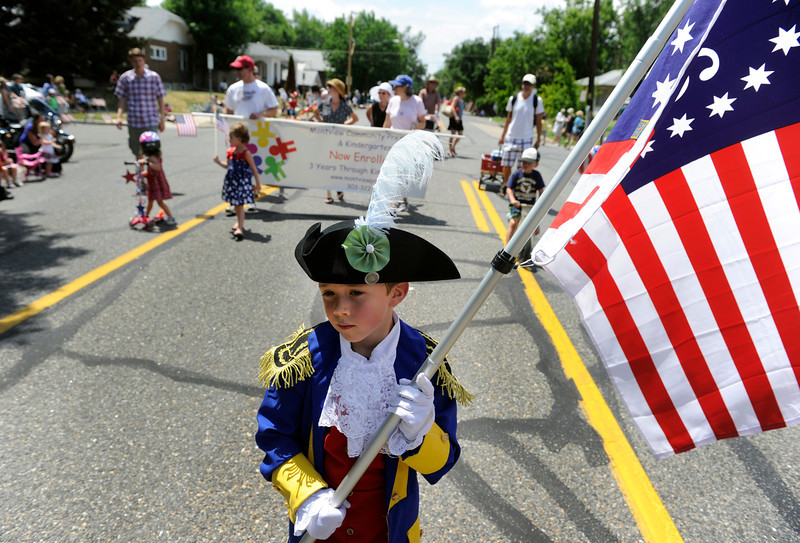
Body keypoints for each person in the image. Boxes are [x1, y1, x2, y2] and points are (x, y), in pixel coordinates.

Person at [255, 131, 470, 543]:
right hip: (322, 532)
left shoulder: (426, 362)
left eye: (357, 293)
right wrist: (307, 497)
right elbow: (275, 436)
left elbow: (442, 463)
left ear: (397, 292)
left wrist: (422, 436)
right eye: (329, 294)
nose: (340, 309)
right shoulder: (301, 358)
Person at [115, 48, 167, 159]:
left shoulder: (154, 77)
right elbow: (122, 100)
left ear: (144, 60)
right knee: (138, 152)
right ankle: (141, 174)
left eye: (139, 60)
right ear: (131, 61)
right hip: (134, 121)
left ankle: (152, 175)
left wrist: (162, 119)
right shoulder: (126, 78)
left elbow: (161, 99)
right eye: (135, 61)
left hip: (151, 120)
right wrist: (119, 117)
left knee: (152, 151)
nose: (138, 63)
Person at [384, 75, 426, 212]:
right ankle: (393, 200)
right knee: (392, 172)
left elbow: (423, 122)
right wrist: (381, 137)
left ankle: (404, 199)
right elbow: (387, 122)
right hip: (393, 141)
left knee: (405, 172)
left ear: (405, 88)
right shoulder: (393, 100)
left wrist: (415, 128)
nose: (394, 88)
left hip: (409, 142)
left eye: (397, 86)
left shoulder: (417, 101)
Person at [213, 122, 261, 241]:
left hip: (242, 183)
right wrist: (218, 162)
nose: (229, 139)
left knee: (240, 204)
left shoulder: (246, 153)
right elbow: (228, 166)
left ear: (239, 139)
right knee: (235, 203)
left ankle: (240, 226)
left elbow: (254, 169)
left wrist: (258, 184)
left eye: (231, 137)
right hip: (232, 182)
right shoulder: (231, 151)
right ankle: (238, 222)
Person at [314, 78, 358, 204]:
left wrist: (344, 125)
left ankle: (339, 187)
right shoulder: (325, 104)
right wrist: (322, 121)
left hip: (340, 140)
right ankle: (329, 194)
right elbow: (316, 113)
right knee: (327, 165)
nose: (328, 89)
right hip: (326, 139)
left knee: (338, 165)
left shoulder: (344, 106)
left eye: (330, 87)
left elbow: (354, 118)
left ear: (337, 90)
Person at [498, 73, 545, 184]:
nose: (526, 86)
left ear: (533, 86)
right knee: (506, 165)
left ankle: (515, 187)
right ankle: (506, 185)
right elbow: (508, 119)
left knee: (522, 166)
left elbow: (539, 121)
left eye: (529, 84)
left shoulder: (537, 101)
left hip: (526, 137)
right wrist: (502, 136)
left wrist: (538, 139)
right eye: (524, 83)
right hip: (511, 136)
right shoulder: (514, 98)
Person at [504, 148, 545, 260]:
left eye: (529, 162)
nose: (525, 164)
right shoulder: (517, 174)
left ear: (535, 164)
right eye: (524, 162)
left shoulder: (536, 176)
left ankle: (525, 247)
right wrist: (513, 200)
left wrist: (542, 201)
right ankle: (507, 250)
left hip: (531, 208)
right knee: (513, 223)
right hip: (517, 206)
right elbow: (508, 188)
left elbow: (541, 190)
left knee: (536, 230)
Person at [138, 131, 176, 226]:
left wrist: (147, 163)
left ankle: (170, 217)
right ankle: (146, 216)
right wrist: (144, 172)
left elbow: (157, 167)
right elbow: (152, 172)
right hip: (153, 182)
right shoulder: (154, 156)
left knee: (159, 202)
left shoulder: (152, 158)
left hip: (156, 183)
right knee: (151, 202)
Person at [224, 55, 279, 119]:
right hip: (239, 128)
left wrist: (261, 114)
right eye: (236, 69)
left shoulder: (264, 88)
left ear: (250, 69)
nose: (237, 72)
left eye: (239, 68)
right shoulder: (232, 89)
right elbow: (229, 112)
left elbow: (274, 110)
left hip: (257, 128)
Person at [448, 86, 466, 157]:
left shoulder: (462, 100)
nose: (464, 94)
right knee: (453, 134)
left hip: (459, 119)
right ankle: (450, 150)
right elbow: (452, 107)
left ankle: (453, 147)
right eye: (463, 92)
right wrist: (455, 116)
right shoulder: (456, 98)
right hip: (454, 118)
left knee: (460, 134)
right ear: (460, 93)